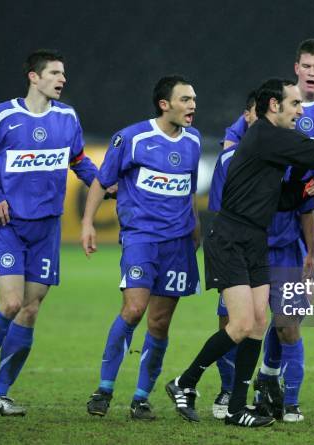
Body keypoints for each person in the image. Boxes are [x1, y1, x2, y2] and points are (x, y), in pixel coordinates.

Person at [166, 78, 314, 428]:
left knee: (258, 324)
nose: (302, 111)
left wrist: (300, 193)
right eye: (295, 104)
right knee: (240, 325)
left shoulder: (270, 144)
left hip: (254, 240)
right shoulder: (268, 135)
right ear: (273, 107)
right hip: (231, 240)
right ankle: (184, 382)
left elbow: (276, 200)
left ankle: (237, 408)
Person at [0, 49, 99, 416]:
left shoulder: (68, 118)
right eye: (55, 73)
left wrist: (106, 183)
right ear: (34, 78)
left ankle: (1, 394)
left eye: (64, 73)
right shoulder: (3, 116)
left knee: (30, 309)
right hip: (10, 226)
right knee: (10, 304)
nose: (62, 79)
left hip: (47, 229)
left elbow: (77, 161)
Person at [81, 75, 201, 420]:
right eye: (185, 99)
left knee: (160, 323)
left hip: (178, 243)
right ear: (165, 105)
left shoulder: (192, 140)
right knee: (134, 310)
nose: (192, 105)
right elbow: (102, 181)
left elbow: (188, 190)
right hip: (141, 237)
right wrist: (88, 223)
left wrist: (196, 229)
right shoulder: (133, 138)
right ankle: (104, 389)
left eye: (193, 99)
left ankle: (141, 397)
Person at [210, 92, 314, 423]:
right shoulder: (229, 161)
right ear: (248, 117)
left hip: (284, 253)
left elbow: (306, 208)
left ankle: (290, 401)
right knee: (233, 325)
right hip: (242, 251)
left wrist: (312, 253)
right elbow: (219, 211)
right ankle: (230, 393)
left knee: (287, 326)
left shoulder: (292, 159)